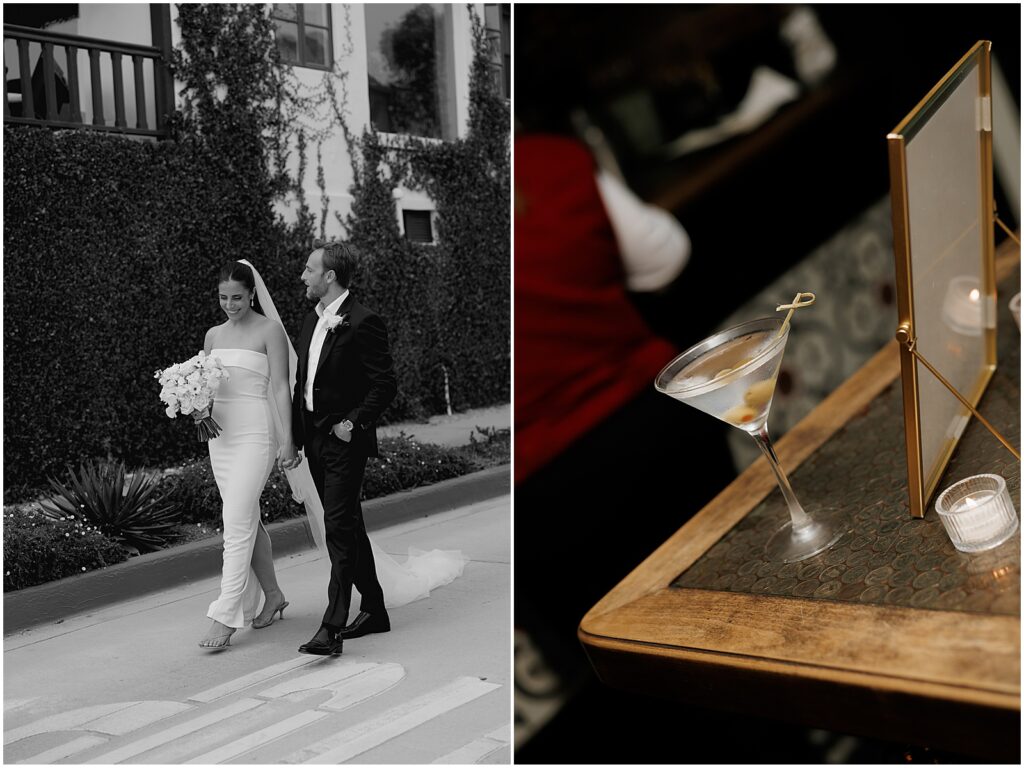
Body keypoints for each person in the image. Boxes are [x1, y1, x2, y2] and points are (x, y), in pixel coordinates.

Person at [292, 241, 399, 656]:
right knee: (349, 525)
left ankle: (331, 628)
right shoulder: (311, 319)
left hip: (343, 438)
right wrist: (296, 440)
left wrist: (352, 424)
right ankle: (375, 610)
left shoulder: (362, 321)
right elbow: (302, 384)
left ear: (329, 276)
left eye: (309, 269)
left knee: (336, 528)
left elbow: (384, 384)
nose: (303, 276)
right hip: (315, 436)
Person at [198, 261, 298, 649]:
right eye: (223, 298)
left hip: (256, 434)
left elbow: (279, 389)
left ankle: (225, 615)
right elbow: (205, 386)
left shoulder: (270, 330)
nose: (229, 304)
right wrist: (194, 404)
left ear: (252, 293)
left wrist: (288, 439)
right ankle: (273, 595)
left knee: (236, 522)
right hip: (220, 439)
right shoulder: (212, 335)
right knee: (247, 519)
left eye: (237, 297)